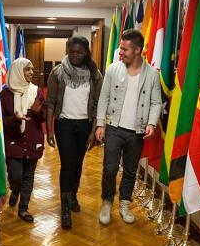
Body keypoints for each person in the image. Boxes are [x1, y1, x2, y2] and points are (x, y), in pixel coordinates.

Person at [95, 29, 162, 225]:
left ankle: (124, 203)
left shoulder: (151, 74)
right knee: (109, 169)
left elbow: (156, 102)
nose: (120, 52)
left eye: (124, 49)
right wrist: (101, 124)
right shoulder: (113, 69)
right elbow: (104, 98)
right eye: (120, 48)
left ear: (137, 50)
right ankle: (107, 202)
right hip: (114, 128)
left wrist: (151, 122)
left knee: (131, 171)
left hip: (137, 131)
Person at [46, 35, 103, 229]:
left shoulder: (95, 74)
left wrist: (93, 131)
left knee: (78, 163)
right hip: (64, 125)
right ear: (67, 51)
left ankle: (73, 196)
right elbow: (50, 103)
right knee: (67, 164)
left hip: (85, 126)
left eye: (79, 52)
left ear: (86, 52)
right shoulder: (57, 73)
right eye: (72, 51)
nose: (75, 55)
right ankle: (64, 207)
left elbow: (97, 105)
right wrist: (49, 130)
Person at [1, 58, 46, 223]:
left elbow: (43, 117)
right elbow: (1, 122)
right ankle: (15, 190)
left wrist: (36, 112)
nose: (31, 73)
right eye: (27, 69)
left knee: (28, 176)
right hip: (14, 141)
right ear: (18, 71)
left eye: (32, 70)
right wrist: (15, 118)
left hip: (33, 141)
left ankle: (23, 208)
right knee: (15, 177)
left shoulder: (37, 92)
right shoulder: (5, 94)